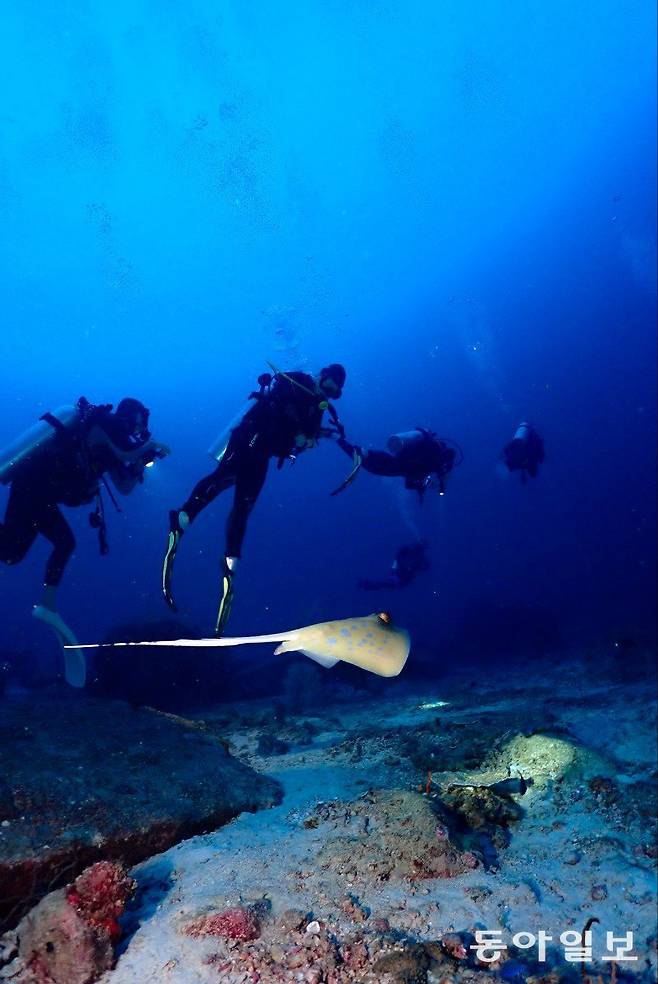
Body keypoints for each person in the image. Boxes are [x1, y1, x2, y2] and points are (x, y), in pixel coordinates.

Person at [163, 363, 347, 636]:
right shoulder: (295, 380)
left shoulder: (318, 408)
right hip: (249, 438)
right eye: (327, 386)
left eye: (333, 393)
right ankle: (182, 518)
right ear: (321, 375)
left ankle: (231, 563)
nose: (327, 394)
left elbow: (300, 438)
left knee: (243, 508)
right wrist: (299, 430)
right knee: (224, 476)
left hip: (264, 455)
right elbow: (282, 402)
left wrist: (312, 438)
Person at [0, 396, 169, 686]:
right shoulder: (104, 422)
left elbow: (125, 486)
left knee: (13, 553)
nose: (139, 431)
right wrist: (149, 446)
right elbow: (127, 451)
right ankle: (47, 604)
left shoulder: (114, 448)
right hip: (31, 484)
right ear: (132, 416)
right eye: (139, 424)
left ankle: (47, 605)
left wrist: (143, 461)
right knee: (38, 546)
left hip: (43, 496)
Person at [336, 427, 460, 499]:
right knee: (376, 466)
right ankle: (362, 451)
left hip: (400, 465)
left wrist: (420, 486)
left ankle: (342, 441)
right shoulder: (436, 459)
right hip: (400, 466)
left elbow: (408, 484)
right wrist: (441, 487)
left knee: (375, 465)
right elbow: (439, 474)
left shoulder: (430, 462)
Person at [359, 540, 430, 591]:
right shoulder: (407, 551)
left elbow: (425, 567)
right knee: (385, 584)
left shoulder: (420, 558)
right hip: (400, 575)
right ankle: (365, 585)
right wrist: (393, 571)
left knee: (385, 584)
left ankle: (365, 585)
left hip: (404, 577)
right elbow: (396, 560)